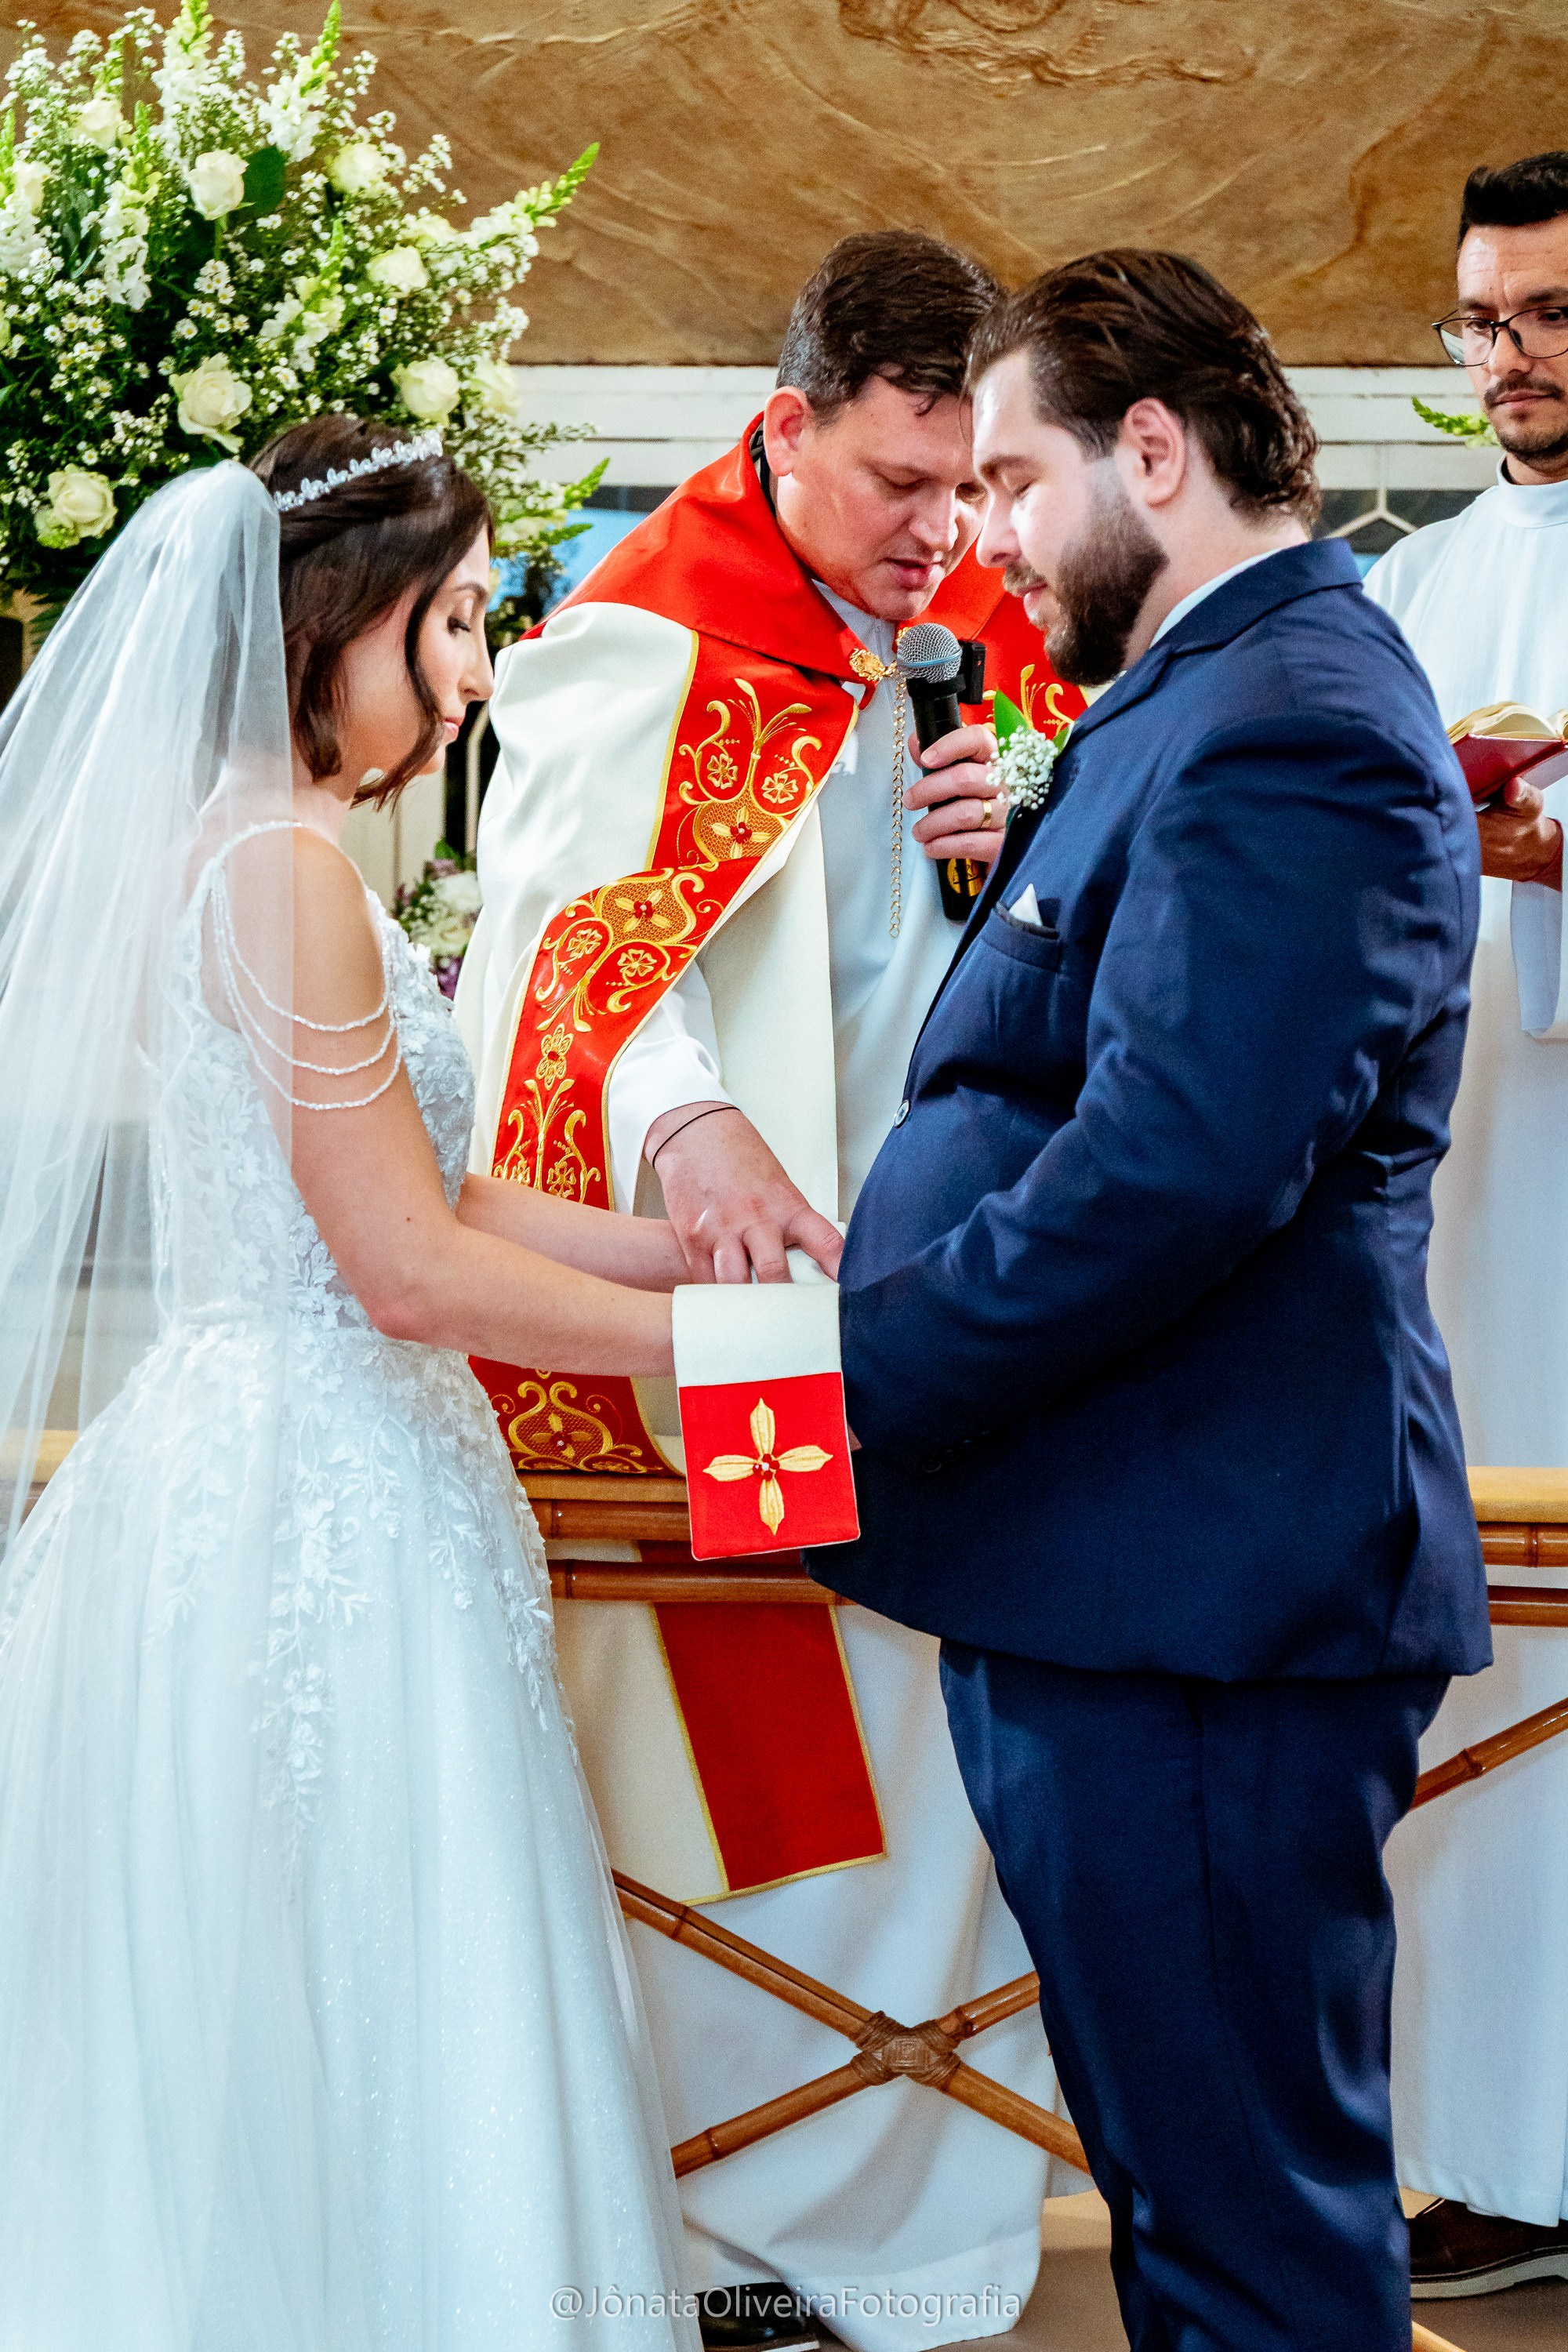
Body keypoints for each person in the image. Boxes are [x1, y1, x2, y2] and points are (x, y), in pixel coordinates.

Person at [811, 250, 1492, 2352]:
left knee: (1250, 2243)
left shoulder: (1294, 721)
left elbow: (1177, 1169)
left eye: (1015, 478)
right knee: (1190, 2201)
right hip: (1133, 1571)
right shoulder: (1208, 698)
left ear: (1160, 454)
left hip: (1205, 1591)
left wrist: (871, 1373)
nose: (986, 535)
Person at [0, 419, 702, 2350]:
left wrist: (696, 1253)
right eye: (459, 620)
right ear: (344, 617)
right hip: (315, 1478)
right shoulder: (286, 876)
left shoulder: (274, 858)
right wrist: (732, 1356)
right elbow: (399, 1272)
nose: (478, 670)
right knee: (366, 1963)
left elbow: (437, 1188)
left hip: (317, 1445)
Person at [458, 233, 1083, 2352]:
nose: (944, 535)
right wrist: (684, 1132)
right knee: (761, 1756)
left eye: (972, 484)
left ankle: (916, 2228)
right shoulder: (645, 631)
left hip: (968, 1299)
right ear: (792, 428)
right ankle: (731, 2234)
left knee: (947, 1752)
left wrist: (1039, 814)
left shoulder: (987, 626)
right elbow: (565, 945)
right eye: (905, 485)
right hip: (739, 1307)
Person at [1364, 148, 1568, 2302]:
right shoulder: (1409, 592)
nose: (1501, 363)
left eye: (1543, 320)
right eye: (1478, 321)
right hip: (1471, 1184)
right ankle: (1490, 2145)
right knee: (1483, 1651)